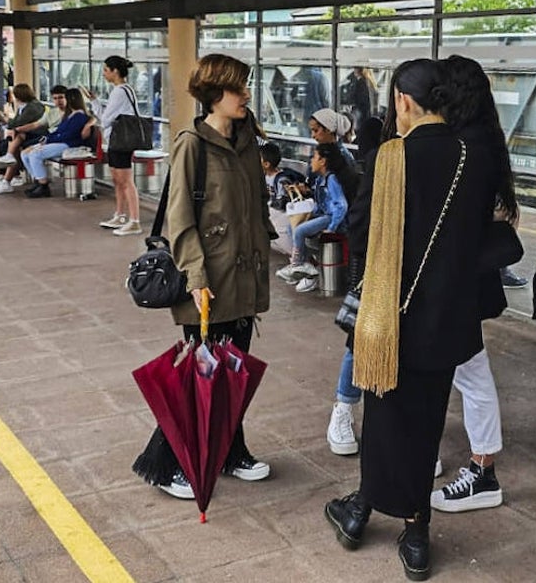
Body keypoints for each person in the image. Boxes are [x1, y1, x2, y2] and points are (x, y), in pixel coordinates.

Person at [324, 58, 501, 581]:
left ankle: (359, 512)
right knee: (426, 419)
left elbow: (359, 231)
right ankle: (416, 532)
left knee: (383, 414)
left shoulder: (389, 157)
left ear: (403, 99)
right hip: (448, 316)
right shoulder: (476, 156)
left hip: (389, 315)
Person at [132, 53, 275, 499]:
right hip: (208, 281)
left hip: (245, 275)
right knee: (199, 377)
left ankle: (232, 452)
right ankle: (167, 462)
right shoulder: (192, 142)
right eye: (239, 88)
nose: (246, 94)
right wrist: (195, 276)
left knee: (233, 373)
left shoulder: (249, 138)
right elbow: (180, 218)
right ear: (215, 94)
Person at [430, 55, 518, 517]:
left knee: (470, 369)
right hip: (466, 278)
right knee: (464, 368)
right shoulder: (482, 138)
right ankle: (477, 465)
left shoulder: (466, 146)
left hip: (458, 280)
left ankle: (483, 471)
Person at [276, 143, 356, 293]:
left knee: (299, 231)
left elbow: (341, 205)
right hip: (324, 215)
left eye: (314, 157)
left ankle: (298, 264)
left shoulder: (332, 179)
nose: (311, 160)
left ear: (323, 161)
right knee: (290, 227)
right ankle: (306, 265)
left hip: (332, 218)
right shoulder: (321, 179)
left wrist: (331, 228)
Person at [92, 55, 141, 236]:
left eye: (106, 70)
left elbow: (105, 120)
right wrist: (95, 102)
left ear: (115, 71)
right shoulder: (124, 90)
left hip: (121, 141)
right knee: (118, 180)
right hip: (117, 140)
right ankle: (120, 214)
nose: (104, 74)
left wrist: (96, 106)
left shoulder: (120, 91)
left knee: (126, 181)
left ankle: (134, 220)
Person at [19, 87, 92, 198]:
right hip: (61, 143)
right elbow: (58, 131)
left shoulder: (79, 116)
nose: (62, 101)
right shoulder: (70, 115)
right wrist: (44, 140)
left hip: (69, 145)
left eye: (64, 98)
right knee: (25, 153)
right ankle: (38, 180)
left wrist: (48, 141)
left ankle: (43, 186)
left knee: (35, 154)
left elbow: (68, 135)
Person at [0, 83, 47, 194]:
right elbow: (16, 124)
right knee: (8, 143)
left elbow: (17, 123)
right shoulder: (24, 107)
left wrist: (3, 118)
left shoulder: (33, 107)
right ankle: (7, 176)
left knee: (13, 143)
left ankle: (8, 178)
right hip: (28, 133)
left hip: (38, 136)